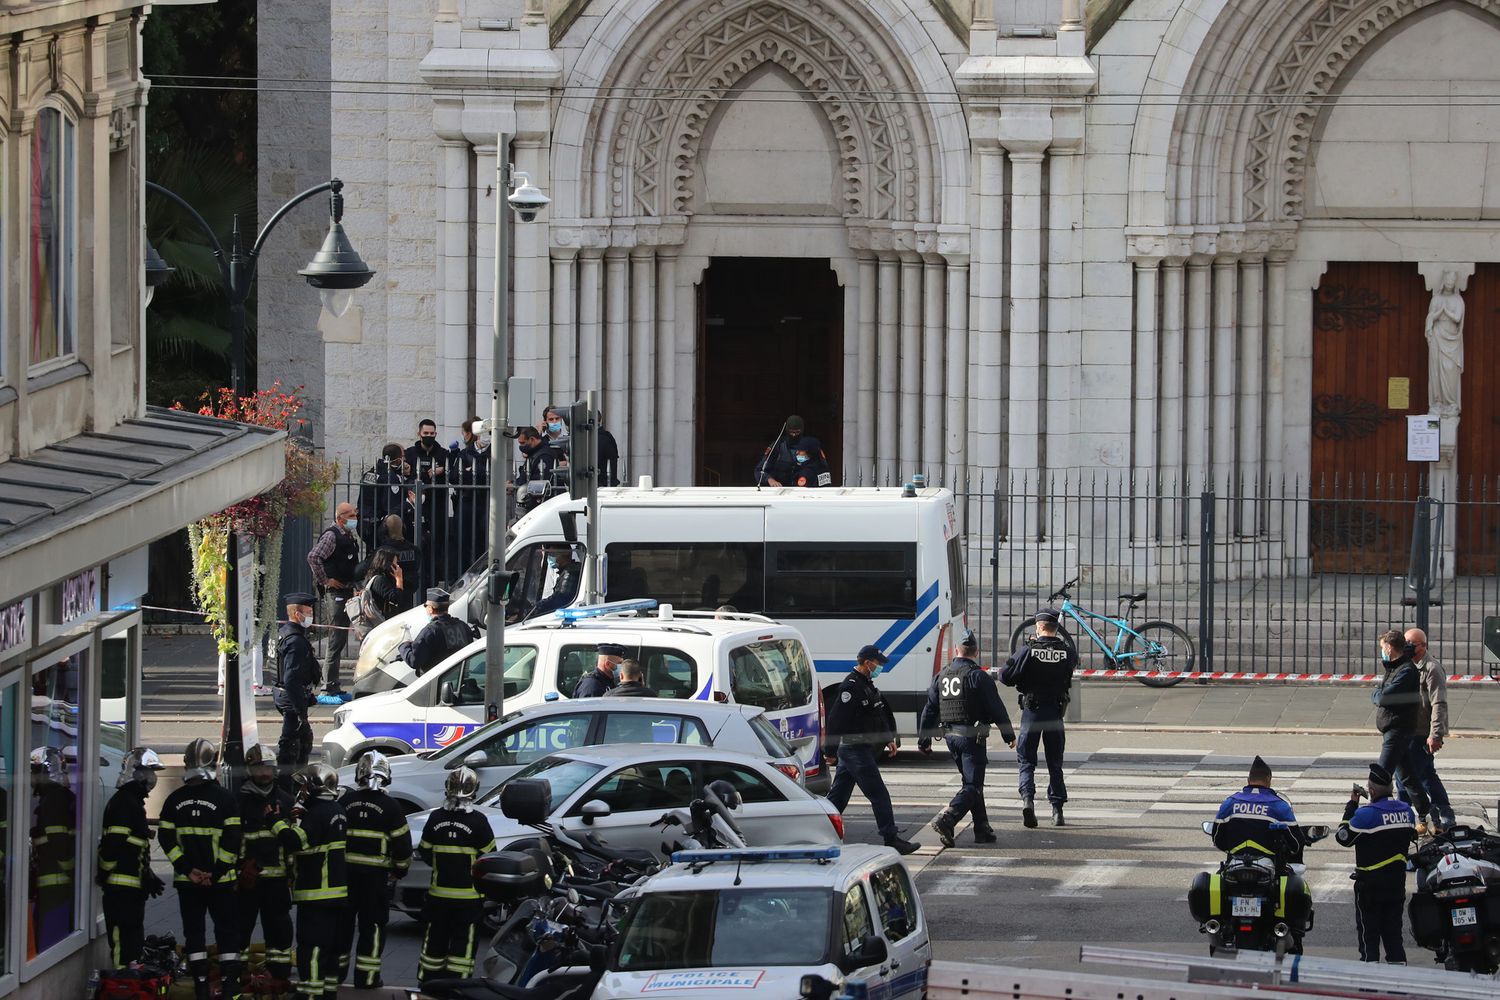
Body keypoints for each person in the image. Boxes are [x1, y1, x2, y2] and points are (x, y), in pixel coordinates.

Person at [158, 739, 243, 1000]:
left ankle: (201, 984)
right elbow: (233, 840)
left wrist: (187, 869)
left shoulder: (174, 800)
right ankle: (229, 986)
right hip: (221, 883)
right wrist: (215, 874)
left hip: (188, 883)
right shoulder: (226, 800)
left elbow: (166, 839)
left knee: (194, 932)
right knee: (226, 931)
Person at [919, 629, 1016, 846]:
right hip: (972, 738)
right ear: (976, 652)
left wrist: (924, 739)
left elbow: (930, 709)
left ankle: (982, 829)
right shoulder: (978, 676)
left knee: (971, 784)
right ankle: (948, 817)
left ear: (956, 650)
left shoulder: (942, 675)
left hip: (950, 737)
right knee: (973, 785)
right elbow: (996, 707)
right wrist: (1008, 734)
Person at [824, 645, 918, 855]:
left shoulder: (866, 684)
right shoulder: (851, 687)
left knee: (838, 797)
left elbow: (877, 712)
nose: (880, 667)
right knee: (879, 794)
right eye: (878, 663)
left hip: (858, 748)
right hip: (854, 748)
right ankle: (891, 838)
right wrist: (829, 750)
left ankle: (818, 832)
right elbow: (835, 720)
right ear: (867, 663)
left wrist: (888, 739)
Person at [276, 764, 352, 1000]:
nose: (301, 791)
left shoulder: (316, 813)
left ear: (314, 788)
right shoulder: (337, 809)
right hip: (336, 893)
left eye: (303, 786)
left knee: (312, 949)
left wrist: (275, 822)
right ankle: (327, 994)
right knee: (329, 949)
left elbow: (296, 842)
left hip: (316, 894)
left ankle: (311, 995)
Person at [1000, 607, 1078, 828]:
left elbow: (1005, 676)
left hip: (1032, 711)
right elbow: (1071, 665)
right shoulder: (1066, 651)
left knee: (1026, 759)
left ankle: (1028, 802)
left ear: (1040, 627)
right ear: (1056, 627)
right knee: (1055, 761)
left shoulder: (1029, 650)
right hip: (1055, 711)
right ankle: (1057, 810)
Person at [417, 767, 496, 984]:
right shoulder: (479, 822)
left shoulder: (435, 818)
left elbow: (424, 850)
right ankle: (459, 986)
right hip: (469, 900)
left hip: (438, 897)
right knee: (463, 946)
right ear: (474, 790)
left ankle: (428, 985)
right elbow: (489, 858)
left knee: (434, 943)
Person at [342, 752, 412, 990]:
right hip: (375, 880)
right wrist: (399, 871)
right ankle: (367, 977)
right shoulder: (391, 806)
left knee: (342, 925)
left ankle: (336, 972)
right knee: (371, 927)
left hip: (345, 876)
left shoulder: (346, 802)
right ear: (386, 775)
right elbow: (402, 847)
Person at [1336, 762, 1416, 963]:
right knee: (1394, 939)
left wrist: (1352, 805)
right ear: (1392, 788)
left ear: (1370, 791)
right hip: (1396, 886)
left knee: (1369, 940)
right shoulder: (1407, 812)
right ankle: (1397, 986)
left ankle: (1369, 986)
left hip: (1369, 889)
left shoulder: (1365, 815)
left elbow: (1343, 837)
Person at [98, 747, 166, 967]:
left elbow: (133, 846)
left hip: (131, 890)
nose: (153, 778)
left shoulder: (133, 802)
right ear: (136, 773)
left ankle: (131, 979)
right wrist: (104, 871)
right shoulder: (125, 803)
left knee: (132, 940)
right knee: (122, 941)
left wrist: (147, 874)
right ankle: (122, 982)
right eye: (149, 771)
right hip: (120, 889)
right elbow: (113, 845)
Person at [236, 744, 295, 991]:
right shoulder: (237, 801)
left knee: (280, 930)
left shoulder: (286, 800)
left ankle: (279, 975)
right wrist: (238, 869)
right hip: (246, 880)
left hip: (278, 881)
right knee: (239, 928)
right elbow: (231, 839)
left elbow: (293, 841)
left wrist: (293, 873)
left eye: (268, 768)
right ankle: (238, 974)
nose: (264, 773)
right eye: (259, 768)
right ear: (250, 769)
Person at [1209, 756, 1306, 868]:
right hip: (1269, 869)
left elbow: (1217, 838)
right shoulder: (1279, 805)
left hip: (1235, 865)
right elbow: (1296, 844)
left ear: (1248, 780)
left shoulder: (1230, 802)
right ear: (1269, 780)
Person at [307, 501, 362, 696]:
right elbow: (314, 557)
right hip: (336, 594)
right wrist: (326, 580)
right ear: (340, 519)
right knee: (336, 638)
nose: (354, 518)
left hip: (346, 590)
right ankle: (328, 685)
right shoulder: (332, 536)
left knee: (339, 639)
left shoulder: (347, 535)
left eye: (355, 514)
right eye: (351, 516)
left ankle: (334, 684)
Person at [1404, 627, 1455, 835]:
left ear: (1423, 646)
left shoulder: (1432, 668)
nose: (1406, 647)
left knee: (1424, 776)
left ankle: (1444, 816)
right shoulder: (1407, 665)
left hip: (1421, 733)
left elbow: (1439, 703)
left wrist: (1435, 734)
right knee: (1405, 780)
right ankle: (1421, 819)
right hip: (1406, 731)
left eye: (1411, 644)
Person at [1373, 629, 1424, 819]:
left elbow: (1383, 697)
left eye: (1382, 647)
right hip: (1393, 728)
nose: (1382, 651)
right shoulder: (1394, 667)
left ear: (1389, 647)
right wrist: (1379, 694)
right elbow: (1382, 693)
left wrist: (1377, 695)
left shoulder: (1406, 670)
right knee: (1408, 776)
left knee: (1380, 776)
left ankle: (1378, 815)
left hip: (1398, 729)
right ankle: (1425, 812)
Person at [407, 419, 454, 588]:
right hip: (416, 508)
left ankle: (433, 581)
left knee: (436, 545)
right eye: (425, 433)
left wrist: (442, 470)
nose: (428, 436)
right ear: (419, 433)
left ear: (436, 434)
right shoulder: (410, 453)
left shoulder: (443, 454)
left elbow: (453, 474)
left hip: (438, 506)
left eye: (431, 433)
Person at [274, 593, 320, 770]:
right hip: (291, 697)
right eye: (308, 612)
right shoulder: (295, 641)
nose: (311, 616)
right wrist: (301, 710)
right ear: (296, 614)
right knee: (292, 745)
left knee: (299, 741)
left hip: (283, 694)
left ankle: (295, 779)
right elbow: (291, 678)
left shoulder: (283, 633)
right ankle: (290, 784)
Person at [398, 589, 478, 677]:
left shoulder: (430, 631)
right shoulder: (463, 626)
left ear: (430, 609)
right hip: (460, 681)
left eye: (426, 606)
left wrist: (404, 645)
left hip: (437, 684)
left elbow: (414, 661)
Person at [450, 417, 491, 569]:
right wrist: (471, 474)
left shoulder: (494, 453)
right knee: (463, 539)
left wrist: (472, 470)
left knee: (483, 540)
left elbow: (494, 477)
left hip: (485, 502)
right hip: (466, 501)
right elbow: (454, 477)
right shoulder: (465, 453)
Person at [357, 444, 412, 551]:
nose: (405, 459)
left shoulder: (370, 472)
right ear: (397, 460)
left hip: (364, 524)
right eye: (403, 456)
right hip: (378, 527)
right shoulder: (390, 477)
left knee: (371, 556)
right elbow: (392, 510)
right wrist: (409, 503)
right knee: (382, 558)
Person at [756, 415, 828, 487]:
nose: (794, 435)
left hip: (806, 493)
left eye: (797, 432)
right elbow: (759, 470)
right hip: (781, 491)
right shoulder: (777, 446)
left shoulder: (812, 446)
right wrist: (769, 479)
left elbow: (824, 472)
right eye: (791, 432)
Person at [377, 514, 421, 608]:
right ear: (403, 528)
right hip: (408, 595)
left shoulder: (385, 551)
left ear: (385, 530)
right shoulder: (414, 550)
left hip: (390, 598)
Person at [526, 545, 581, 620]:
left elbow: (559, 599)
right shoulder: (565, 571)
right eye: (549, 555)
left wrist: (537, 607)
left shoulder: (570, 573)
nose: (550, 558)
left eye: (553, 554)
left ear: (566, 555)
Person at [360, 548, 407, 627]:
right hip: (380, 622)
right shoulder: (379, 580)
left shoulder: (378, 577)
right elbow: (397, 599)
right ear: (387, 564)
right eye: (395, 564)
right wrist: (399, 579)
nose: (397, 567)